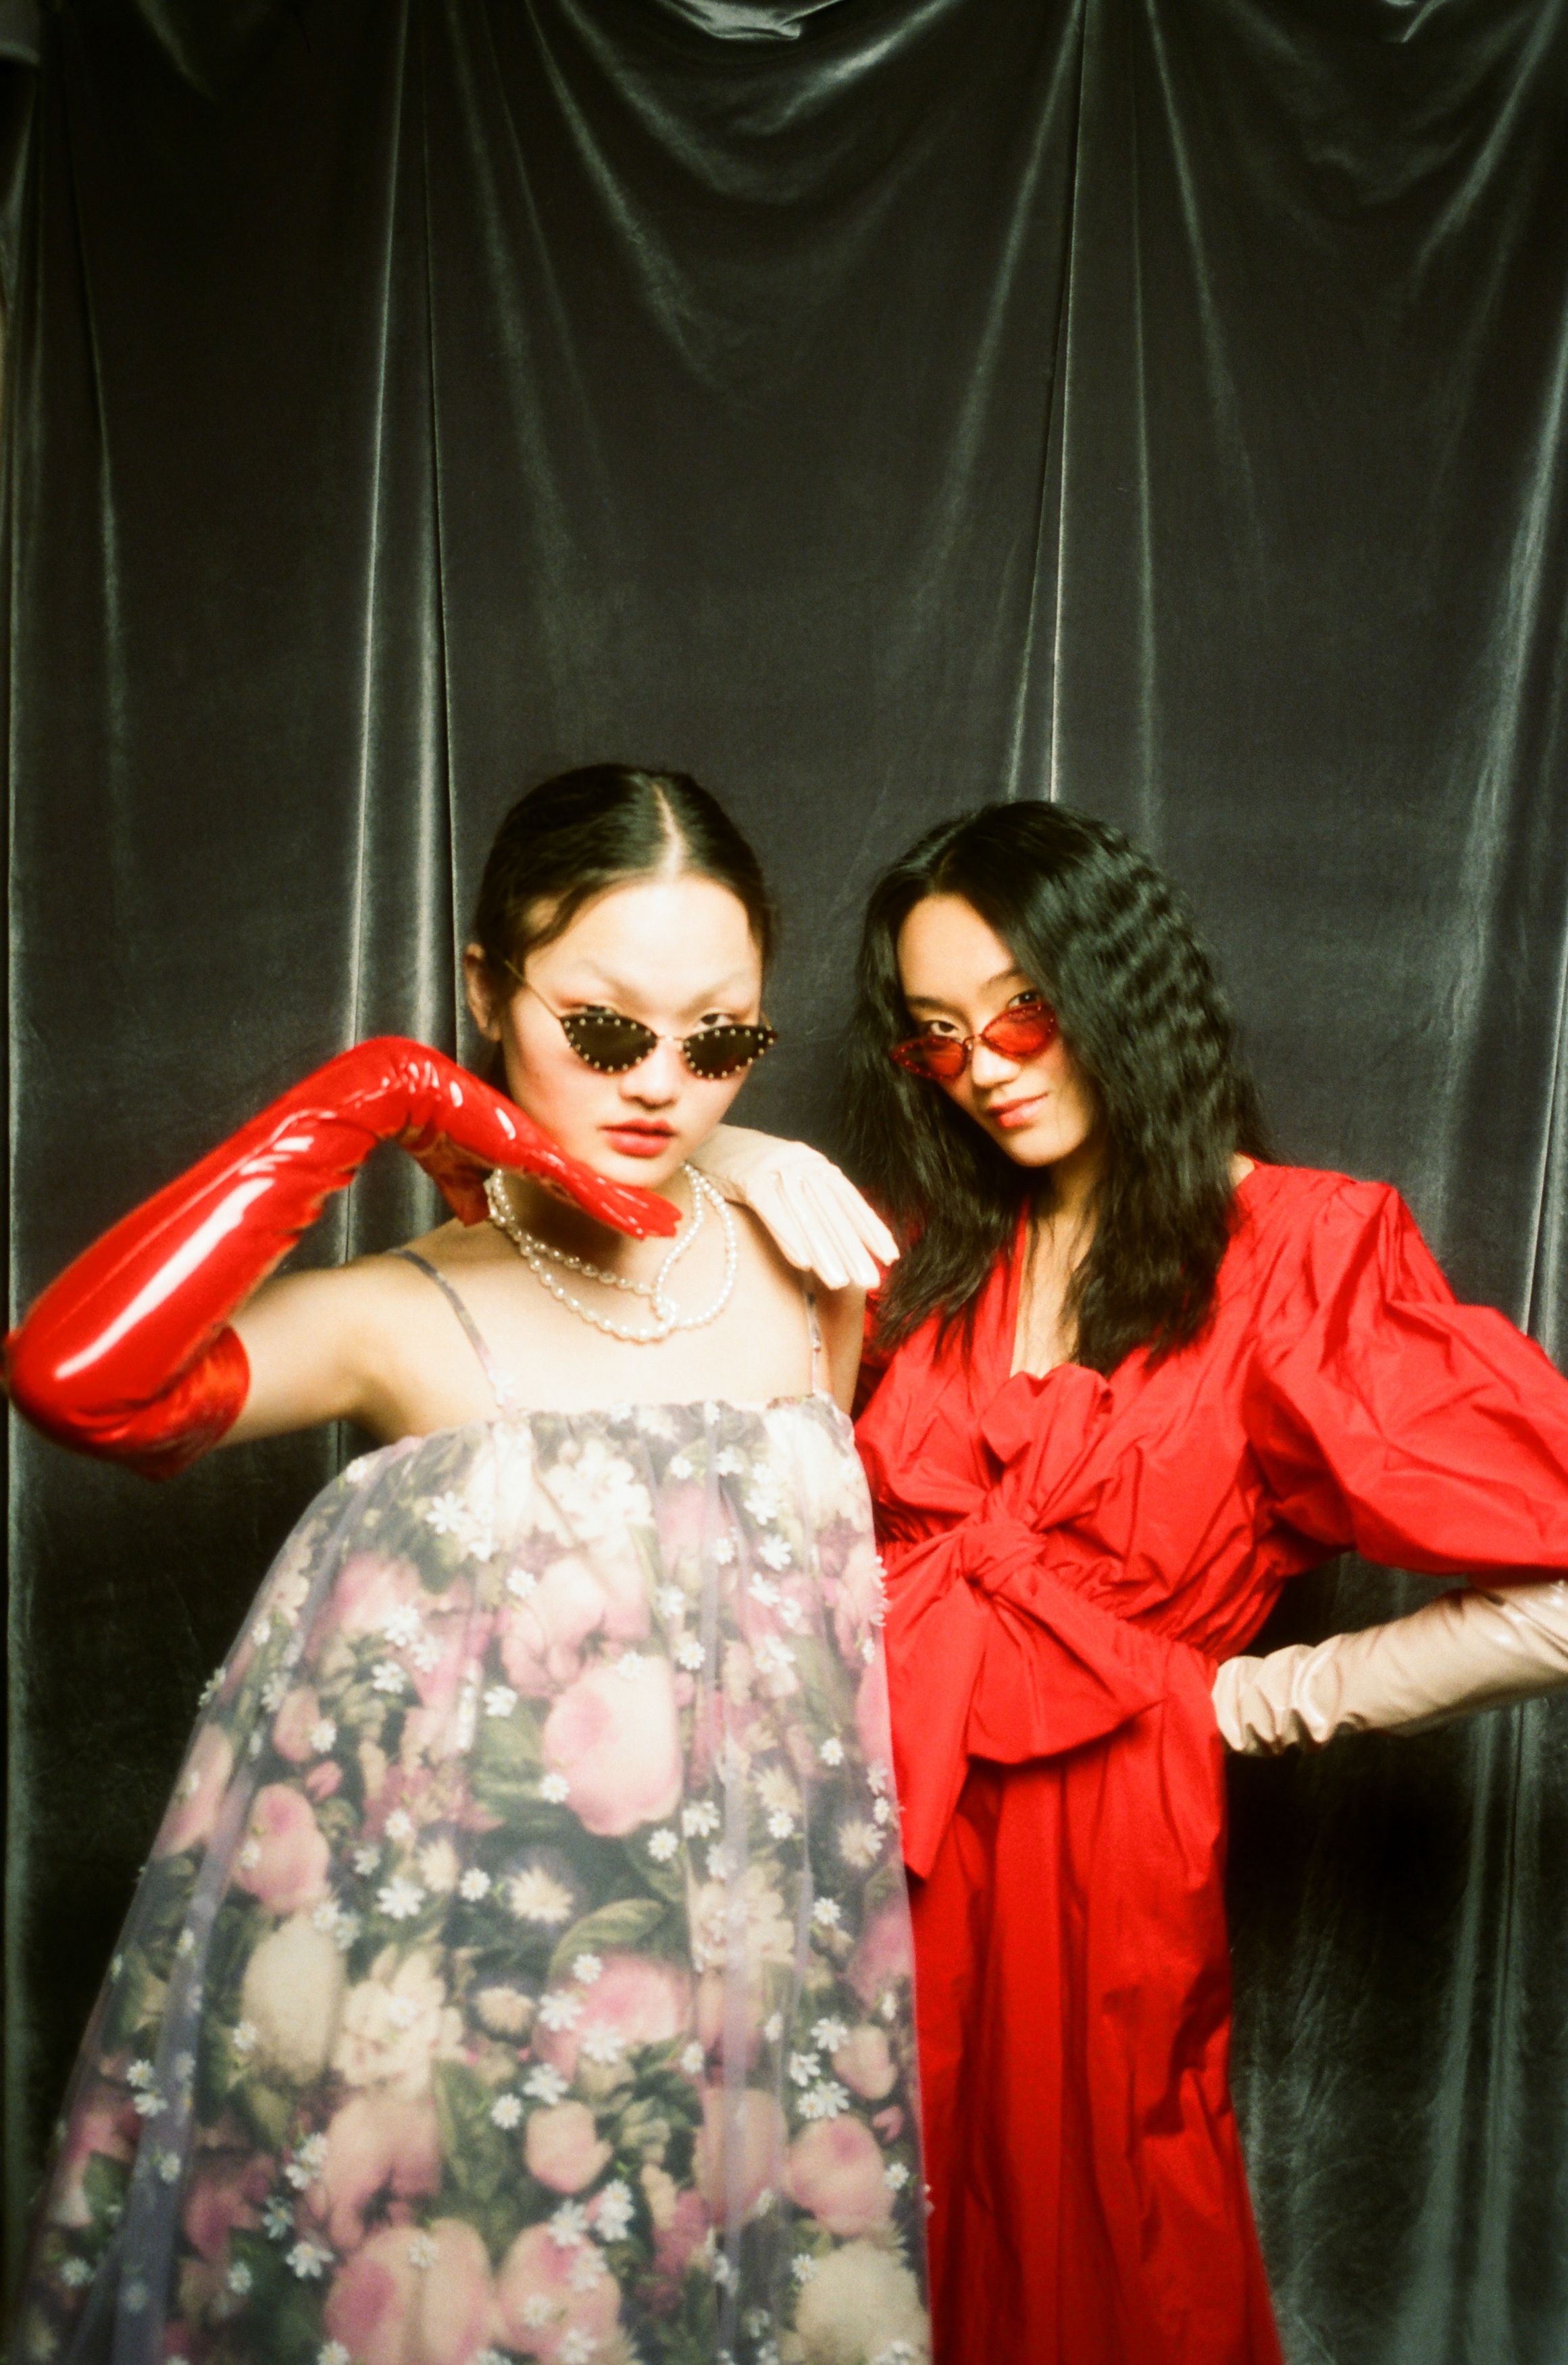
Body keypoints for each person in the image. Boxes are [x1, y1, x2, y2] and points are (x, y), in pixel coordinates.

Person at [4, 767, 929, 2365]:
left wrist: (753, 1150)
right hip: (459, 2042)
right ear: (488, 991)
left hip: (737, 2046)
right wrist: (371, 1098)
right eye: (604, 1028)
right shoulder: (402, 1313)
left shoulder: (809, 1266)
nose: (662, 1085)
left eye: (720, 1041)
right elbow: (74, 1377)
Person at [836, 801, 1568, 2365]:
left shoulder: (1300, 1253)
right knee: (847, 2260)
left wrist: (1269, 1699)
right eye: (938, 1034)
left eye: (1023, 1010)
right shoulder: (923, 1263)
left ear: (1117, 987)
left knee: (1110, 2272)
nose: (985, 1065)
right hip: (860, 1858)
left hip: (1108, 1869)